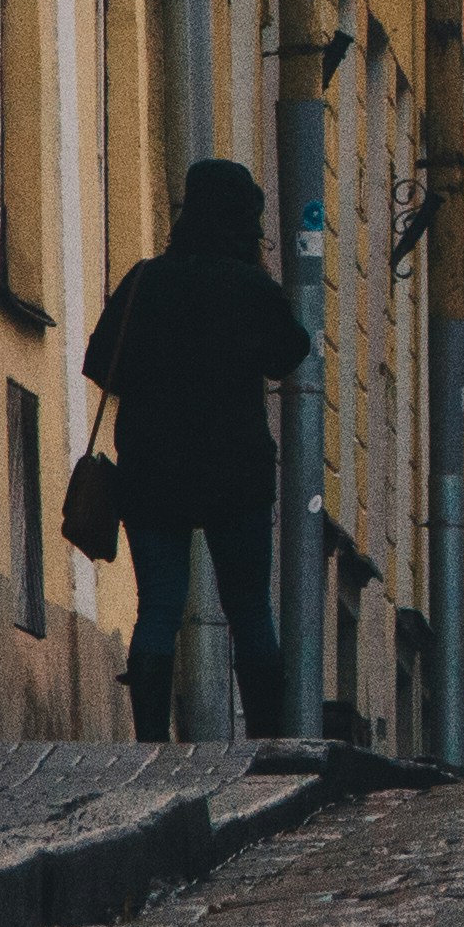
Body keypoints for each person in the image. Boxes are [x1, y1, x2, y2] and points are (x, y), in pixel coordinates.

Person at [86, 158, 311, 740]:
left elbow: (99, 360)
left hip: (153, 469)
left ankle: (151, 743)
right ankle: (267, 740)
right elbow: (290, 353)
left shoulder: (144, 281)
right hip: (235, 473)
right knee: (250, 608)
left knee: (158, 603)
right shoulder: (250, 286)